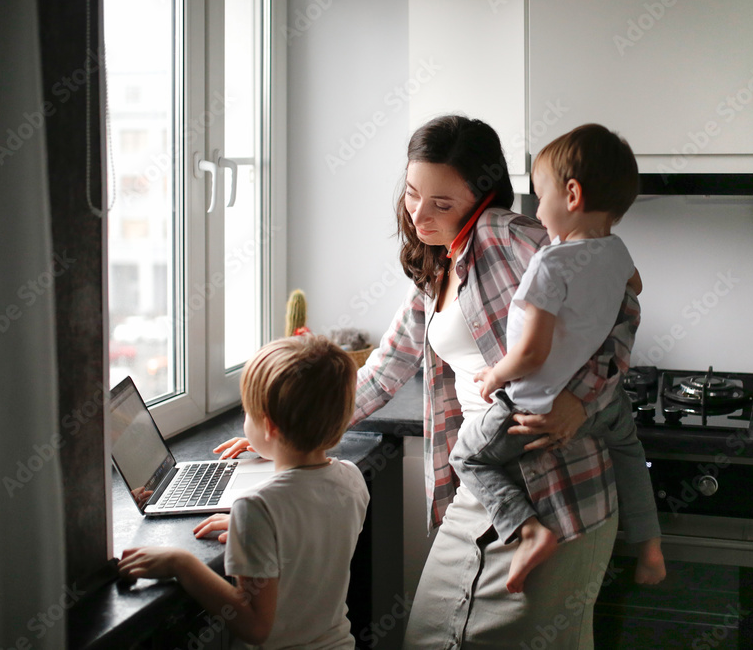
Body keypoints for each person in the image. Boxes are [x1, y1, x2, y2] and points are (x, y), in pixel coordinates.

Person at [217, 115, 653, 648]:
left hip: (557, 488)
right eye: (411, 194)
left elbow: (621, 301)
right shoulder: (439, 269)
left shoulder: (506, 233)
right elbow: (384, 367)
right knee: (428, 635)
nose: (420, 214)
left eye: (442, 204)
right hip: (485, 483)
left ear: (482, 199)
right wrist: (283, 428)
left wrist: (582, 404)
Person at [450, 123, 665, 594]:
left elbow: (531, 353)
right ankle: (650, 546)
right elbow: (636, 290)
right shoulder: (617, 251)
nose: (535, 209)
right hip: (601, 406)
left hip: (534, 406)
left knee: (467, 457)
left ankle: (529, 532)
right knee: (630, 453)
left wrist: (494, 374)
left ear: (571, 195)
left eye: (539, 195)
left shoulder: (549, 263)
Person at [119, 336, 369, 650]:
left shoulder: (256, 508)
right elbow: (308, 532)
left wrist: (182, 563)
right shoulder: (352, 479)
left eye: (247, 412)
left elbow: (255, 626)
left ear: (270, 427)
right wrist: (252, 531)